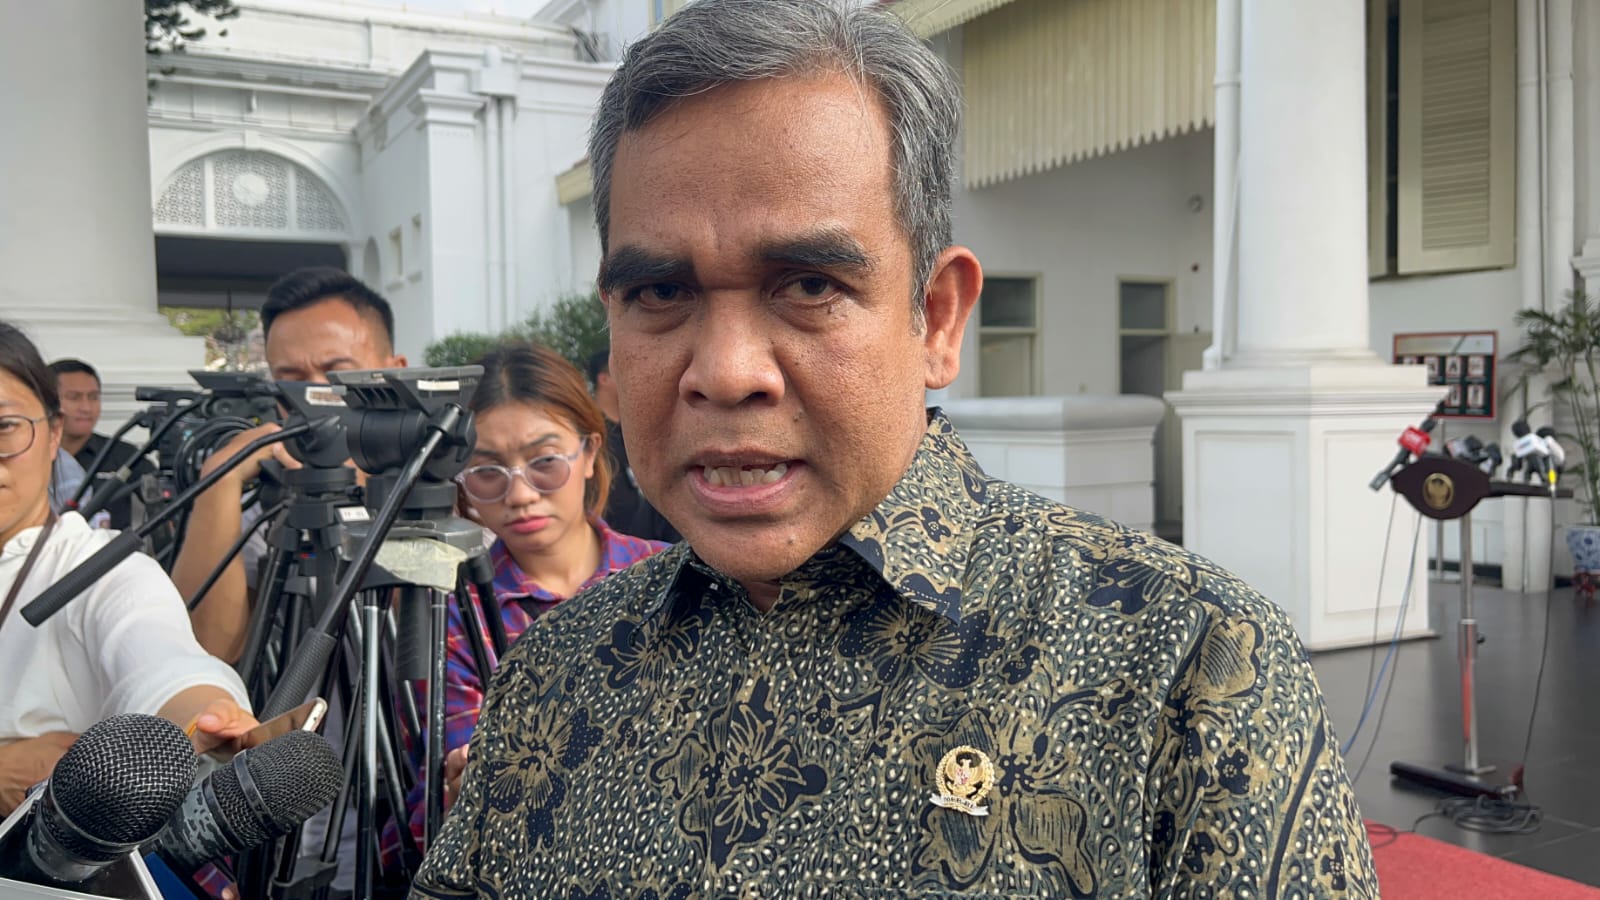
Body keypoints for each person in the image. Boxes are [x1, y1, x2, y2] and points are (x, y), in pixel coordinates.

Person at [413, 1, 1376, 897]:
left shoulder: (1189, 668)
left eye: (809, 285)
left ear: (938, 318)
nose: (727, 372)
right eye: (661, 293)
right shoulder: (551, 675)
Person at [381, 343, 667, 872]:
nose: (520, 494)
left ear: (589, 453)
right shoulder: (452, 614)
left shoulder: (669, 575)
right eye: (487, 471)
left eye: (544, 462)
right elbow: (441, 799)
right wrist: (460, 788)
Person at [0, 321, 256, 816]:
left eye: (4, 427)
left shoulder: (95, 570)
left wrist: (201, 716)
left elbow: (160, 657)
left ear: (54, 434)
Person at [169, 267, 406, 662]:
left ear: (395, 371)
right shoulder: (270, 506)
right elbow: (205, 651)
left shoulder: (446, 482)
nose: (316, 395)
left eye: (338, 375)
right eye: (291, 381)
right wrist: (220, 480)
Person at [586, 348, 679, 543]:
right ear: (604, 379)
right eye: (622, 371)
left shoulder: (637, 430)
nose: (634, 379)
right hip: (611, 547)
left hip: (653, 544)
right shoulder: (588, 433)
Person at [49, 358, 155, 530]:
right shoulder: (26, 454)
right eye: (74, 398)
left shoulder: (124, 455)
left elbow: (168, 508)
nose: (86, 407)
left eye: (93, 397)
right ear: (46, 401)